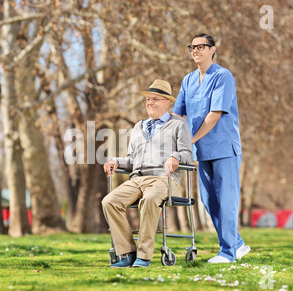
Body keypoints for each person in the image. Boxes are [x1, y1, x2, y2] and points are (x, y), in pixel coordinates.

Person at [172, 33, 250, 263]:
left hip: (224, 147)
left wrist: (190, 139)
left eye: (201, 47)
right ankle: (236, 244)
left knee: (226, 200)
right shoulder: (187, 80)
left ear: (213, 49)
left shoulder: (223, 76)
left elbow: (215, 114)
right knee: (208, 200)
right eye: (192, 47)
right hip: (201, 150)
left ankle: (227, 252)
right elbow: (178, 113)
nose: (195, 50)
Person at [102, 79, 193, 268]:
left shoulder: (178, 124)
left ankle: (144, 256)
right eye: (147, 99)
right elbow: (132, 160)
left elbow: (187, 154)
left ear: (168, 102)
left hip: (164, 179)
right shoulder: (138, 127)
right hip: (137, 179)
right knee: (109, 201)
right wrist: (115, 161)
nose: (149, 103)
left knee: (150, 199)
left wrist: (175, 157)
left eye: (155, 99)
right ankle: (127, 253)